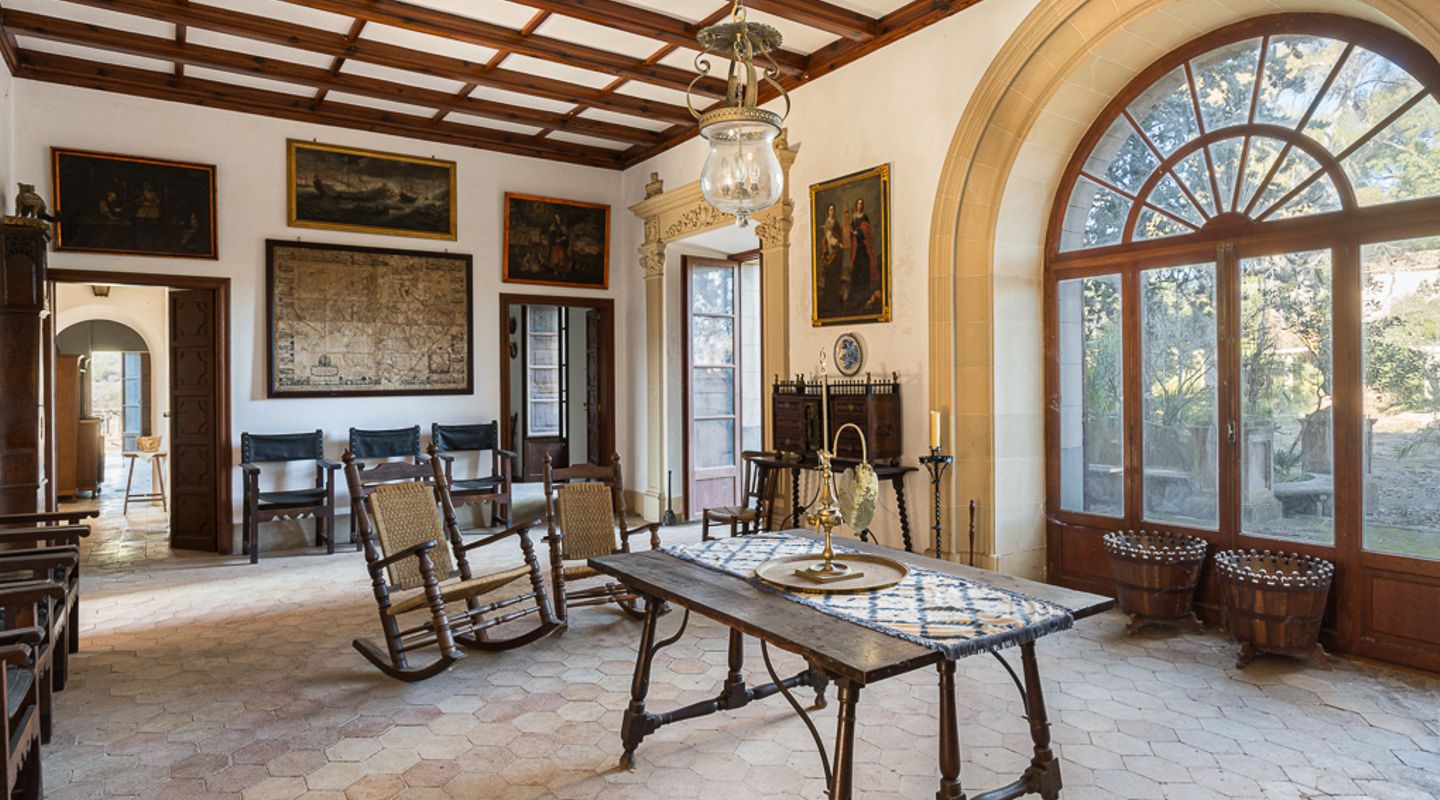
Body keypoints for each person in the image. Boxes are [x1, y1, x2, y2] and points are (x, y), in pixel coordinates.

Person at [849, 197, 874, 312]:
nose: (860, 205)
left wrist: (856, 232)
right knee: (856, 272)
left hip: (863, 247)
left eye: (861, 203)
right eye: (858, 203)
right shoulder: (853, 218)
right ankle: (855, 296)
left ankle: (864, 295)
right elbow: (850, 232)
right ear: (856, 205)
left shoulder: (864, 217)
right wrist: (851, 232)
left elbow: (866, 231)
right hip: (856, 247)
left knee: (864, 270)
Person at [820, 203, 847, 307]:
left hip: (837, 253)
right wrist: (837, 243)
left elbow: (838, 234)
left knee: (836, 275)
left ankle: (835, 299)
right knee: (830, 276)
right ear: (828, 212)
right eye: (830, 210)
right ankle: (829, 300)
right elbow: (829, 236)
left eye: (833, 209)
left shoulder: (836, 222)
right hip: (830, 251)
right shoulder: (828, 222)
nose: (832, 211)